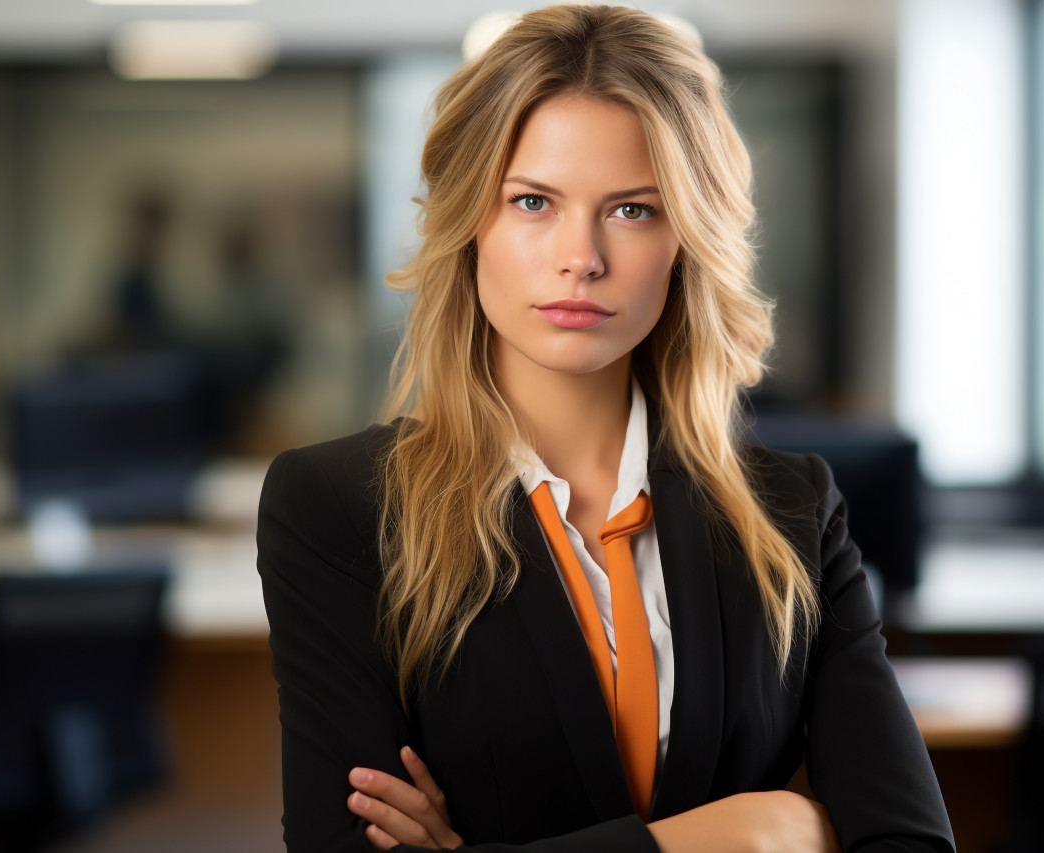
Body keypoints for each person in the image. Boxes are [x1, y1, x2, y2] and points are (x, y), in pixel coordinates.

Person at [256, 5, 955, 852]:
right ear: (470, 223)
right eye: (534, 201)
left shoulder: (792, 511)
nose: (580, 256)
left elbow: (910, 840)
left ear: (686, 240)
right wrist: (749, 830)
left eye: (632, 210)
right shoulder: (339, 507)